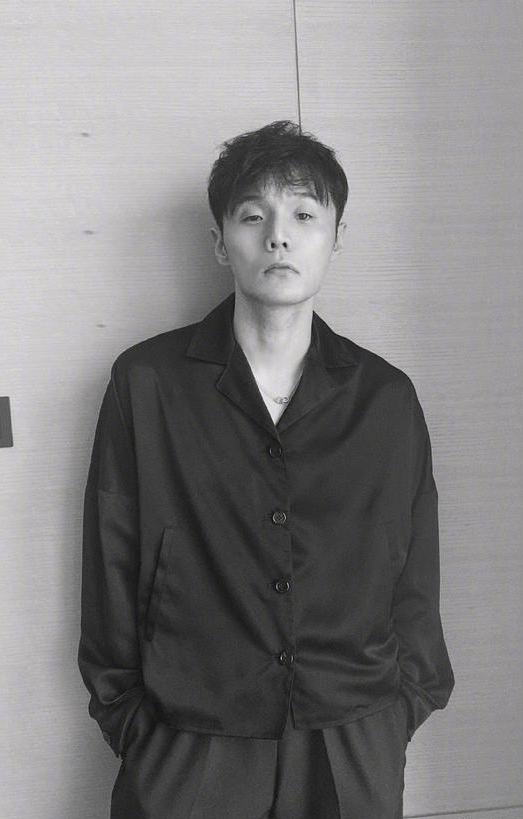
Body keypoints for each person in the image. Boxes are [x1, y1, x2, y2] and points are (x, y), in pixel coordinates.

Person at [77, 120, 455, 819]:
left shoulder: (385, 397)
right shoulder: (147, 383)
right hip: (188, 736)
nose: (279, 236)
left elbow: (415, 566)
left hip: (352, 732)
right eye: (254, 216)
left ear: (337, 238)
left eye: (305, 215)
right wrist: (129, 719)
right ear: (221, 242)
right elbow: (111, 557)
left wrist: (403, 707)